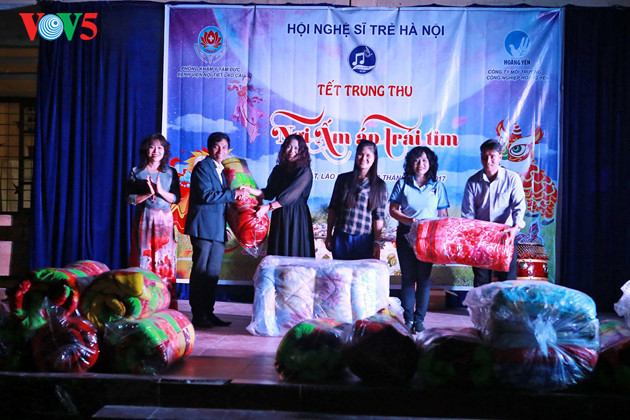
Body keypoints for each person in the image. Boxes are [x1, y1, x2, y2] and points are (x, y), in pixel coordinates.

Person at [184, 132, 249, 329]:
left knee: (212, 274)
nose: (220, 150)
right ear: (209, 148)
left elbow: (221, 203)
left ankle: (208, 313)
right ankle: (198, 314)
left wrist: (227, 226)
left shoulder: (221, 170)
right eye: (216, 146)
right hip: (203, 227)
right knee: (201, 272)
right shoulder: (203, 167)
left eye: (224, 147)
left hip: (217, 229)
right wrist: (234, 194)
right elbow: (206, 195)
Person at [389, 146, 449, 333]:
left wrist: (442, 236)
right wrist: (410, 221)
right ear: (410, 163)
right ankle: (408, 319)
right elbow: (393, 210)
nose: (420, 164)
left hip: (428, 236)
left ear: (430, 163)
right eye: (416, 160)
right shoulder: (402, 183)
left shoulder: (437, 186)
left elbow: (443, 213)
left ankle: (420, 320)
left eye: (424, 160)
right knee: (408, 277)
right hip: (406, 233)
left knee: (423, 277)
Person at [126, 133, 181, 309]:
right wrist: (147, 194)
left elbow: (176, 198)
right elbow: (129, 198)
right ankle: (144, 303)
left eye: (160, 147)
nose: (156, 151)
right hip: (144, 219)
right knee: (144, 258)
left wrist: (160, 191)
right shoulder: (136, 171)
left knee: (165, 259)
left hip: (164, 220)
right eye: (152, 147)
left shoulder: (170, 172)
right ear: (146, 150)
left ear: (164, 151)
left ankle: (166, 302)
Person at [461, 138, 526, 286]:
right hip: (481, 236)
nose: (488, 161)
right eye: (484, 157)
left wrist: (515, 228)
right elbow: (468, 213)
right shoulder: (473, 181)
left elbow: (519, 206)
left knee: (507, 279)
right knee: (481, 279)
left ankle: (505, 303)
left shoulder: (512, 179)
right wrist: (472, 235)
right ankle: (480, 303)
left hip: (506, 234)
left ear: (500, 157)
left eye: (492, 156)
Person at [244, 134, 315, 257]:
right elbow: (269, 193)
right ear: (284, 148)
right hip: (279, 215)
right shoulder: (278, 170)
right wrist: (249, 190)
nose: (292, 151)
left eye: (296, 148)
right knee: (278, 251)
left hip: (296, 217)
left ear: (302, 151)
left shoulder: (304, 171)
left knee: (294, 252)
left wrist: (267, 207)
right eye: (289, 147)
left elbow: (290, 197)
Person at [325, 140, 388, 260]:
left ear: (374, 158)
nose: (364, 158)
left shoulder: (380, 185)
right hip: (341, 236)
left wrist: (376, 242)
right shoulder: (343, 179)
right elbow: (333, 208)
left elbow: (378, 217)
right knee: (340, 271)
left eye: (368, 155)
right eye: (360, 154)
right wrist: (329, 235)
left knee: (360, 272)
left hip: (364, 240)